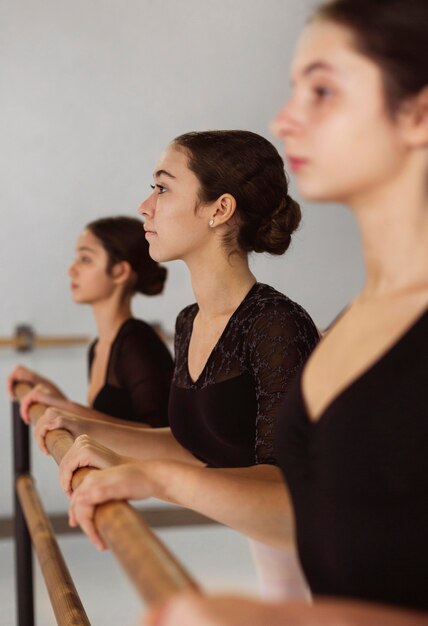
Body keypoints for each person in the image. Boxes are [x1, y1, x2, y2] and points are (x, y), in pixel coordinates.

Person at [138, 0, 428, 623]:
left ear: (418, 113)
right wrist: (152, 475)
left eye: (322, 89)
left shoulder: (281, 323)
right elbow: (320, 514)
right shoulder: (358, 321)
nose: (285, 119)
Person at [32, 130, 320, 599]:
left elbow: (286, 487)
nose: (145, 206)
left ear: (218, 209)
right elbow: (195, 443)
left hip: (336, 575)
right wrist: (85, 428)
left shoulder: (276, 324)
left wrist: (142, 473)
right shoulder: (191, 321)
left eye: (162, 188)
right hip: (278, 569)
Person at [8, 216, 173, 427]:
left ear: (119, 271)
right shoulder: (98, 347)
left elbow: (160, 435)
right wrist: (51, 395)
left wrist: (67, 409)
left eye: (85, 259)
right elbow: (105, 425)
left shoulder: (137, 342)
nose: (71, 270)